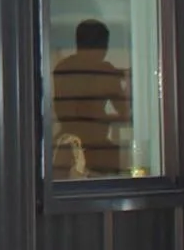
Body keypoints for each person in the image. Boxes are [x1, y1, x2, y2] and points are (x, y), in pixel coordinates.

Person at [52, 19, 128, 179]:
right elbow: (125, 114)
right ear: (103, 46)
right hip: (96, 152)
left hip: (64, 148)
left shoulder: (62, 68)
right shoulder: (105, 71)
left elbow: (62, 111)